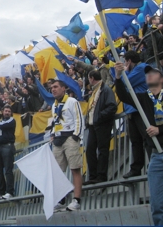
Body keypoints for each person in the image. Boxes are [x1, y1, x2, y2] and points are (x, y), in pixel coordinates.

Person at [115, 63, 163, 226]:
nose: (149, 76)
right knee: (156, 206)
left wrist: (159, 130)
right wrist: (118, 76)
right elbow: (124, 96)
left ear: (161, 79)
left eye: (153, 73)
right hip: (157, 156)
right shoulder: (143, 99)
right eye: (147, 74)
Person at [50, 80, 84, 212]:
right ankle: (61, 199)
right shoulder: (54, 105)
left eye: (56, 87)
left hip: (70, 137)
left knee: (75, 168)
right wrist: (53, 134)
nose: (53, 89)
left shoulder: (71, 101)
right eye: (52, 88)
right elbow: (55, 121)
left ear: (63, 88)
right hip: (58, 139)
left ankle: (76, 200)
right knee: (58, 172)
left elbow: (78, 119)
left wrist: (76, 136)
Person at [120, 51, 151, 179]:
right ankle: (136, 168)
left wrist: (125, 71)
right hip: (131, 110)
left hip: (141, 109)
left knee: (147, 138)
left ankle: (153, 164)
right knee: (135, 141)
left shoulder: (141, 68)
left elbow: (125, 82)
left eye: (125, 62)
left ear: (129, 61)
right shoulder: (134, 70)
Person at [84, 70, 117, 184]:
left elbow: (112, 106)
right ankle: (93, 176)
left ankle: (101, 176)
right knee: (90, 150)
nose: (89, 81)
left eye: (89, 78)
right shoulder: (95, 91)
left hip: (102, 124)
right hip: (93, 125)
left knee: (102, 150)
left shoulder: (105, 89)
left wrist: (99, 116)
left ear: (92, 78)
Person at [0, 105, 16, 201]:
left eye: (9, 111)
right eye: (5, 111)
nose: (7, 112)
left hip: (7, 146)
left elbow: (0, 126)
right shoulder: (0, 122)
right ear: (2, 112)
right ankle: (0, 192)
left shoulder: (11, 120)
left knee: (8, 170)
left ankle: (10, 192)